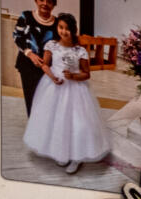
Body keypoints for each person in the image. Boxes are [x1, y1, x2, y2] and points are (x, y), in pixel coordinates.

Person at [23, 11, 112, 174]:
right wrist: (53, 77)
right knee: (57, 122)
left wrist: (74, 76)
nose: (63, 31)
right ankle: (62, 153)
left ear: (73, 30)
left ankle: (76, 157)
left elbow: (87, 74)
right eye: (60, 27)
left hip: (76, 90)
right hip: (54, 87)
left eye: (67, 28)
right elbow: (45, 65)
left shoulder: (80, 51)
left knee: (77, 123)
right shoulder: (51, 45)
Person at [14, 0, 58, 110]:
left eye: (49, 1)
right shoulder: (26, 16)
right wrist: (30, 54)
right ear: (36, 1)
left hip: (48, 68)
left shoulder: (57, 23)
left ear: (53, 5)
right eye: (41, 0)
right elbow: (17, 36)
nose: (45, 3)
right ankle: (34, 127)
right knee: (31, 99)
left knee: (47, 101)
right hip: (27, 65)